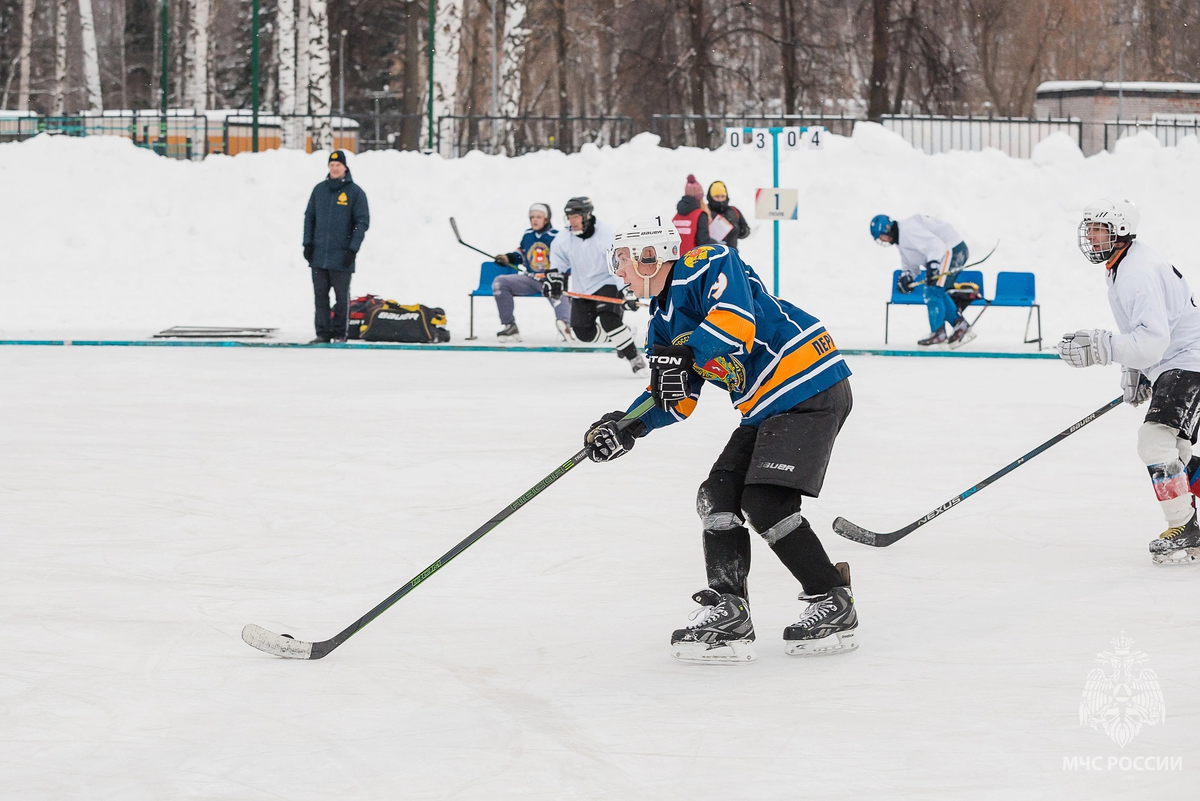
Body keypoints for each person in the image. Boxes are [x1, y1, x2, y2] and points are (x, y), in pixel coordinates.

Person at [583, 216, 858, 664]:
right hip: (765, 404)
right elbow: (674, 398)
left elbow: (736, 320)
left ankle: (832, 598)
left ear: (651, 256)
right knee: (718, 496)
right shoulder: (662, 323)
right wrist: (626, 425)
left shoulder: (703, 263)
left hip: (809, 383)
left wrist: (691, 352)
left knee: (766, 501)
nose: (620, 272)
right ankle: (730, 610)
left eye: (623, 260)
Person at [1057, 198, 1200, 565]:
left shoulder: (1136, 272)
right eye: (1088, 228)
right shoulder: (1124, 264)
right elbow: (1151, 332)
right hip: (1177, 361)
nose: (1089, 236)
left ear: (1120, 233)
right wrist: (1135, 369)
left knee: (1154, 442)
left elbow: (1152, 341)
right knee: (1175, 452)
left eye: (1098, 229)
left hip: (1189, 362)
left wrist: (1103, 347)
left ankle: (1184, 527)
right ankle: (1187, 523)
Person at [552, 197, 647, 375]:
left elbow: (620, 262)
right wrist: (555, 279)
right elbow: (558, 261)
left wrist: (627, 290)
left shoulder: (607, 233)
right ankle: (622, 338)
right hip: (582, 289)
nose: (571, 222)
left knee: (608, 319)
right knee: (582, 333)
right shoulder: (564, 237)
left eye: (575, 217)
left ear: (586, 215)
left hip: (608, 282)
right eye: (569, 217)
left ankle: (634, 358)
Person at [872, 213, 972, 346]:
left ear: (887, 228)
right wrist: (906, 277)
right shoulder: (901, 241)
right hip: (946, 252)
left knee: (932, 290)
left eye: (881, 236)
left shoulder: (908, 230)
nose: (883, 240)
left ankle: (939, 333)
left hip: (952, 249)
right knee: (936, 291)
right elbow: (911, 265)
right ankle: (959, 325)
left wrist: (933, 264)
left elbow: (936, 245)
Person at [304, 150, 370, 344]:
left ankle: (340, 333)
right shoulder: (319, 190)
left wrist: (352, 249)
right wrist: (307, 243)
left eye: (338, 165)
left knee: (342, 298)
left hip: (342, 256)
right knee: (320, 297)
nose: (334, 169)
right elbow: (309, 218)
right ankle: (323, 333)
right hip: (319, 254)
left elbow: (362, 222)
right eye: (332, 165)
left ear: (345, 167)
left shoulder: (355, 193)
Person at [491, 203, 572, 342]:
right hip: (530, 280)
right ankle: (509, 325)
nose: (534, 220)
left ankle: (565, 326)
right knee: (500, 283)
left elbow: (567, 261)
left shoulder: (557, 236)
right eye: (532, 217)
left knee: (560, 297)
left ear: (546, 219)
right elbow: (520, 254)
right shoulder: (528, 235)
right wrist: (507, 258)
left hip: (551, 281)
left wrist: (557, 277)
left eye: (539, 217)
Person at [695, 180, 750, 251]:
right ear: (710, 197)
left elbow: (746, 230)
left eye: (722, 196)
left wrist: (740, 230)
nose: (720, 199)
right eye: (717, 196)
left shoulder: (734, 211)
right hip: (711, 255)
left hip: (731, 255)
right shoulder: (705, 211)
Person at [672, 174, 710, 254]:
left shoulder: (676, 217)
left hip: (677, 259)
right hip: (693, 259)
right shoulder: (700, 215)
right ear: (699, 198)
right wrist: (717, 243)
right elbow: (703, 241)